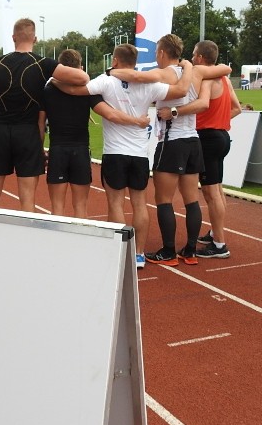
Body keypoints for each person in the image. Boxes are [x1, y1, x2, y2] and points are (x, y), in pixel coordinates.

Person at [52, 43, 193, 268]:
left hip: (115, 153)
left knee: (115, 204)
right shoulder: (151, 85)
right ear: (135, 63)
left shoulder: (106, 80)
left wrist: (53, 79)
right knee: (139, 204)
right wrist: (188, 67)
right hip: (139, 154)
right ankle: (138, 254)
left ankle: (119, 251)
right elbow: (181, 91)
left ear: (115, 61)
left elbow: (74, 90)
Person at [109, 34, 231, 266]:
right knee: (191, 200)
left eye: (156, 52)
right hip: (193, 141)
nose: (156, 56)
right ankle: (191, 250)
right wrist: (188, 65)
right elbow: (224, 68)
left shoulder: (164, 74)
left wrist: (111, 72)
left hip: (171, 141)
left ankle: (168, 251)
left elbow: (135, 75)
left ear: (163, 53)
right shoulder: (197, 71)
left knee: (163, 199)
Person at [0, 18, 90, 212]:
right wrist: (54, 81)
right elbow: (83, 77)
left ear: (13, 37)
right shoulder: (43, 64)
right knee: (27, 200)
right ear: (35, 38)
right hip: (27, 134)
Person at [39, 49, 152, 218]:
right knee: (80, 207)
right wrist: (137, 120)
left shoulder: (47, 90)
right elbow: (109, 113)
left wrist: (40, 149)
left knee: (57, 207)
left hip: (58, 151)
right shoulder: (88, 91)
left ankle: (59, 244)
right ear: (80, 67)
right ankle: (83, 244)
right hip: (81, 151)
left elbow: (40, 123)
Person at [185, 41, 242, 259]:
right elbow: (237, 108)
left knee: (210, 192)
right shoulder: (225, 79)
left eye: (193, 55)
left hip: (208, 137)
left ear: (200, 58)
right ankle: (215, 233)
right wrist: (219, 122)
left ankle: (219, 244)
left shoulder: (207, 78)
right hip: (221, 136)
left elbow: (203, 104)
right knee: (217, 189)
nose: (192, 58)